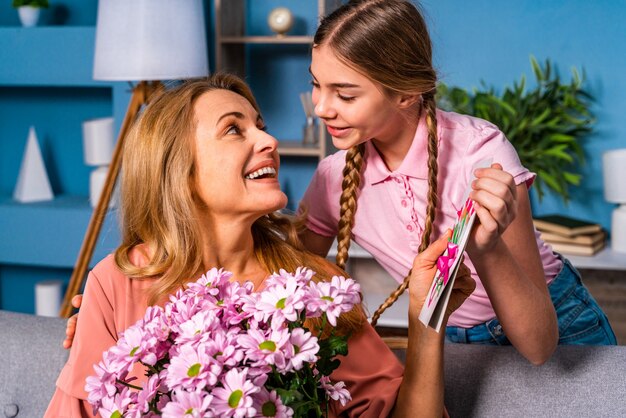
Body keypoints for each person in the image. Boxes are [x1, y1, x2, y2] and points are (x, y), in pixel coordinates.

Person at [47, 74, 475, 417]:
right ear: (178, 168)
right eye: (234, 129)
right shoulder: (117, 283)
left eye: (261, 126)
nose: (268, 141)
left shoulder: (315, 289)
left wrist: (425, 319)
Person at [297, 0, 616, 364]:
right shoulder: (332, 178)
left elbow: (539, 345)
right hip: (452, 338)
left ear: (405, 93)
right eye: (316, 84)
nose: (321, 107)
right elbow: (287, 283)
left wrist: (487, 247)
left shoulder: (479, 154)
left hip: (560, 328)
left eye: (345, 94)